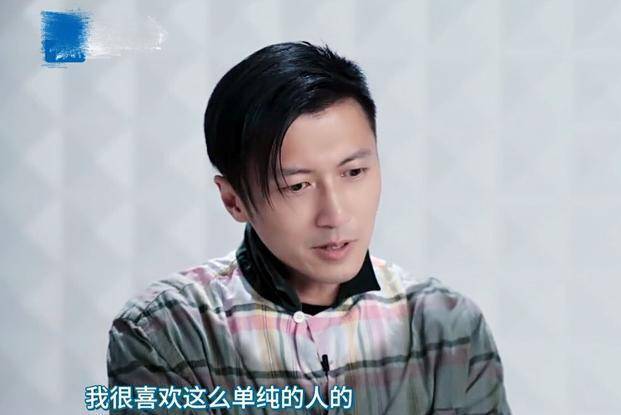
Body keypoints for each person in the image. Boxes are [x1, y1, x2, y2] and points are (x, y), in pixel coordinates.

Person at [107, 41, 511, 415]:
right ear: (234, 199)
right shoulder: (167, 330)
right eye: (298, 186)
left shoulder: (446, 328)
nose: (335, 214)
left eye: (354, 172)